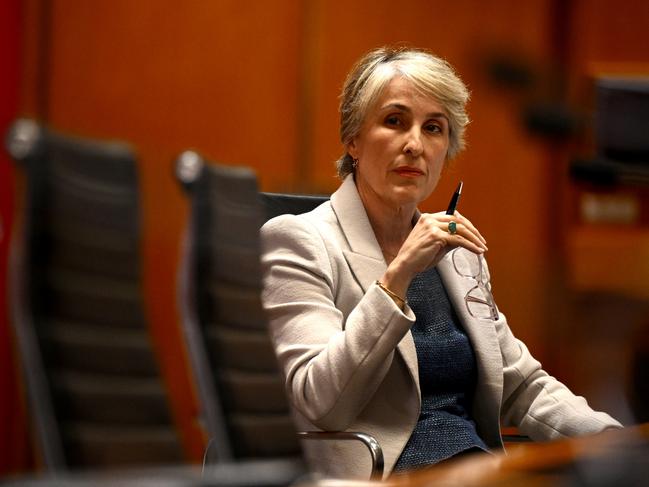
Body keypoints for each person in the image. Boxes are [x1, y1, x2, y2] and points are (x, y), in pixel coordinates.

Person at [260, 46, 622, 480]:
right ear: (353, 139)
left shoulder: (459, 256)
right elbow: (321, 402)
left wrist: (621, 443)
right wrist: (398, 277)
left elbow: (522, 385)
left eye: (434, 128)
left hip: (474, 469)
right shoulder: (299, 241)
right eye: (394, 121)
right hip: (383, 475)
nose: (415, 144)